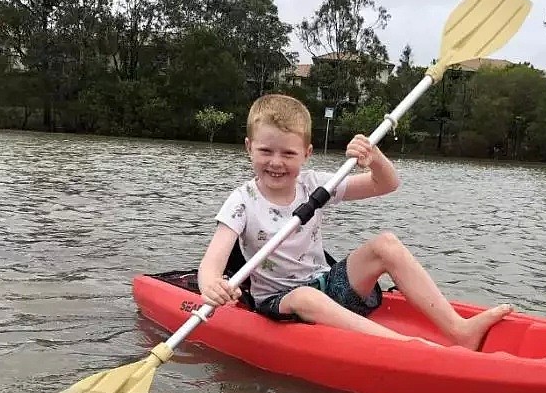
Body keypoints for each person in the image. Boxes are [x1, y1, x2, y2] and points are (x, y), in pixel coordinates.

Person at [197, 94, 512, 350]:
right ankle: (412, 348)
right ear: (249, 148)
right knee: (307, 297)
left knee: (385, 244)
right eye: (265, 151)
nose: (276, 162)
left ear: (306, 154)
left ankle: (460, 331)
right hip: (281, 302)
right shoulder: (241, 201)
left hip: (328, 285)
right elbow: (211, 265)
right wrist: (212, 287)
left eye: (288, 153)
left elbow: (385, 184)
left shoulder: (315, 185)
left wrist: (373, 157)